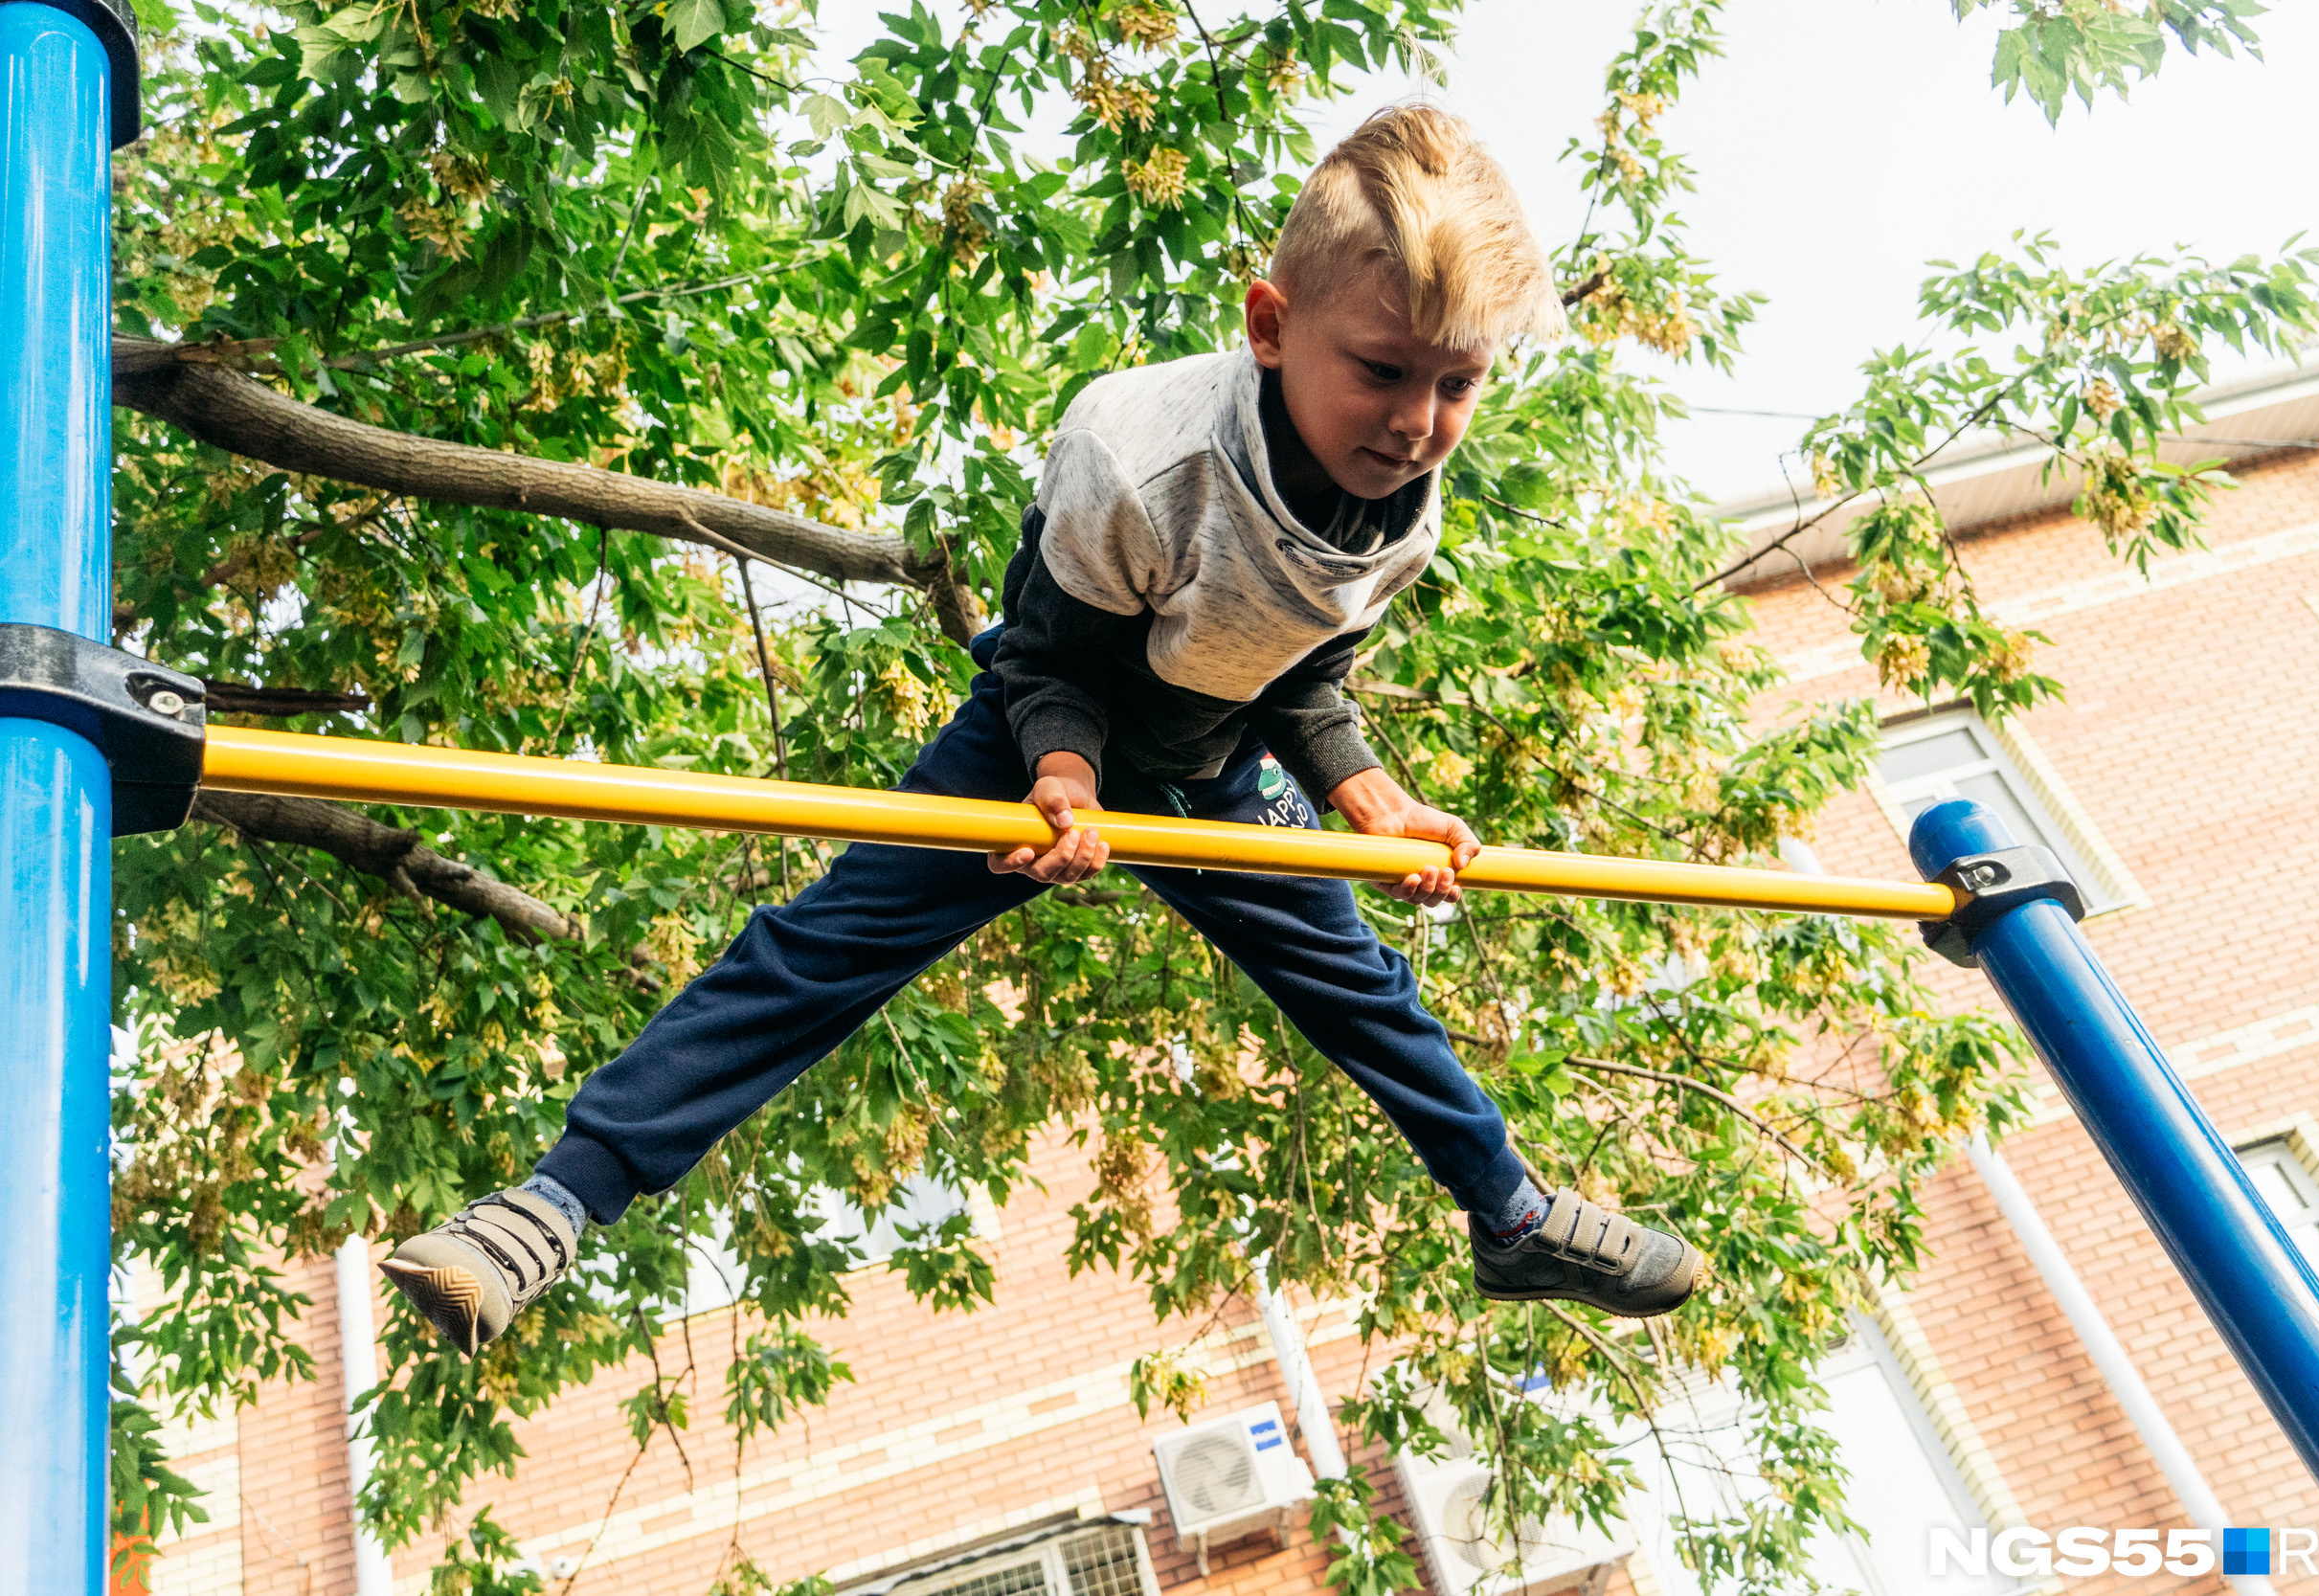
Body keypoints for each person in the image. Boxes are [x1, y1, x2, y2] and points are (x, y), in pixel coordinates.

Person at [383, 103, 1701, 1358]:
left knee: (1363, 986)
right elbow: (1050, 659)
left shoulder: (1407, 513)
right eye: (1382, 372)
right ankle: (549, 1208)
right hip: (1039, 728)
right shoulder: (1139, 455)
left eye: (1457, 383)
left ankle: (1510, 1214)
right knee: (821, 952)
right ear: (1270, 326)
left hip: (1215, 767)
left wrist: (1372, 801)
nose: (1418, 421)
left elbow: (1305, 679)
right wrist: (1064, 781)